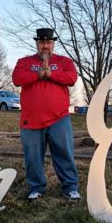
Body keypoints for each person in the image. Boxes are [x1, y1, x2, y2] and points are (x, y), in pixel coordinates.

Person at [12, 28, 80, 201]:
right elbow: (17, 78)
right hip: (31, 120)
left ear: (53, 43)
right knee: (33, 157)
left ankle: (70, 188)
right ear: (37, 43)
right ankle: (36, 188)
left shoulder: (64, 61)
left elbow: (72, 78)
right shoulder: (24, 62)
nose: (45, 46)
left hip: (59, 118)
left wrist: (51, 74)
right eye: (42, 42)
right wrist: (37, 74)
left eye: (49, 42)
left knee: (64, 154)